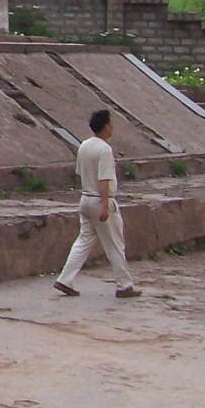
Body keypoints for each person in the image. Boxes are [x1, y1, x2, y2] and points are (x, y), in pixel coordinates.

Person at [54, 109, 140, 298]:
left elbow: (80, 173)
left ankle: (65, 279)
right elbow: (104, 179)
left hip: (85, 198)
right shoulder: (104, 149)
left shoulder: (84, 145)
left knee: (83, 241)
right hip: (99, 199)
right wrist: (105, 205)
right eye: (111, 124)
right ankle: (124, 285)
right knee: (115, 244)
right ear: (106, 126)